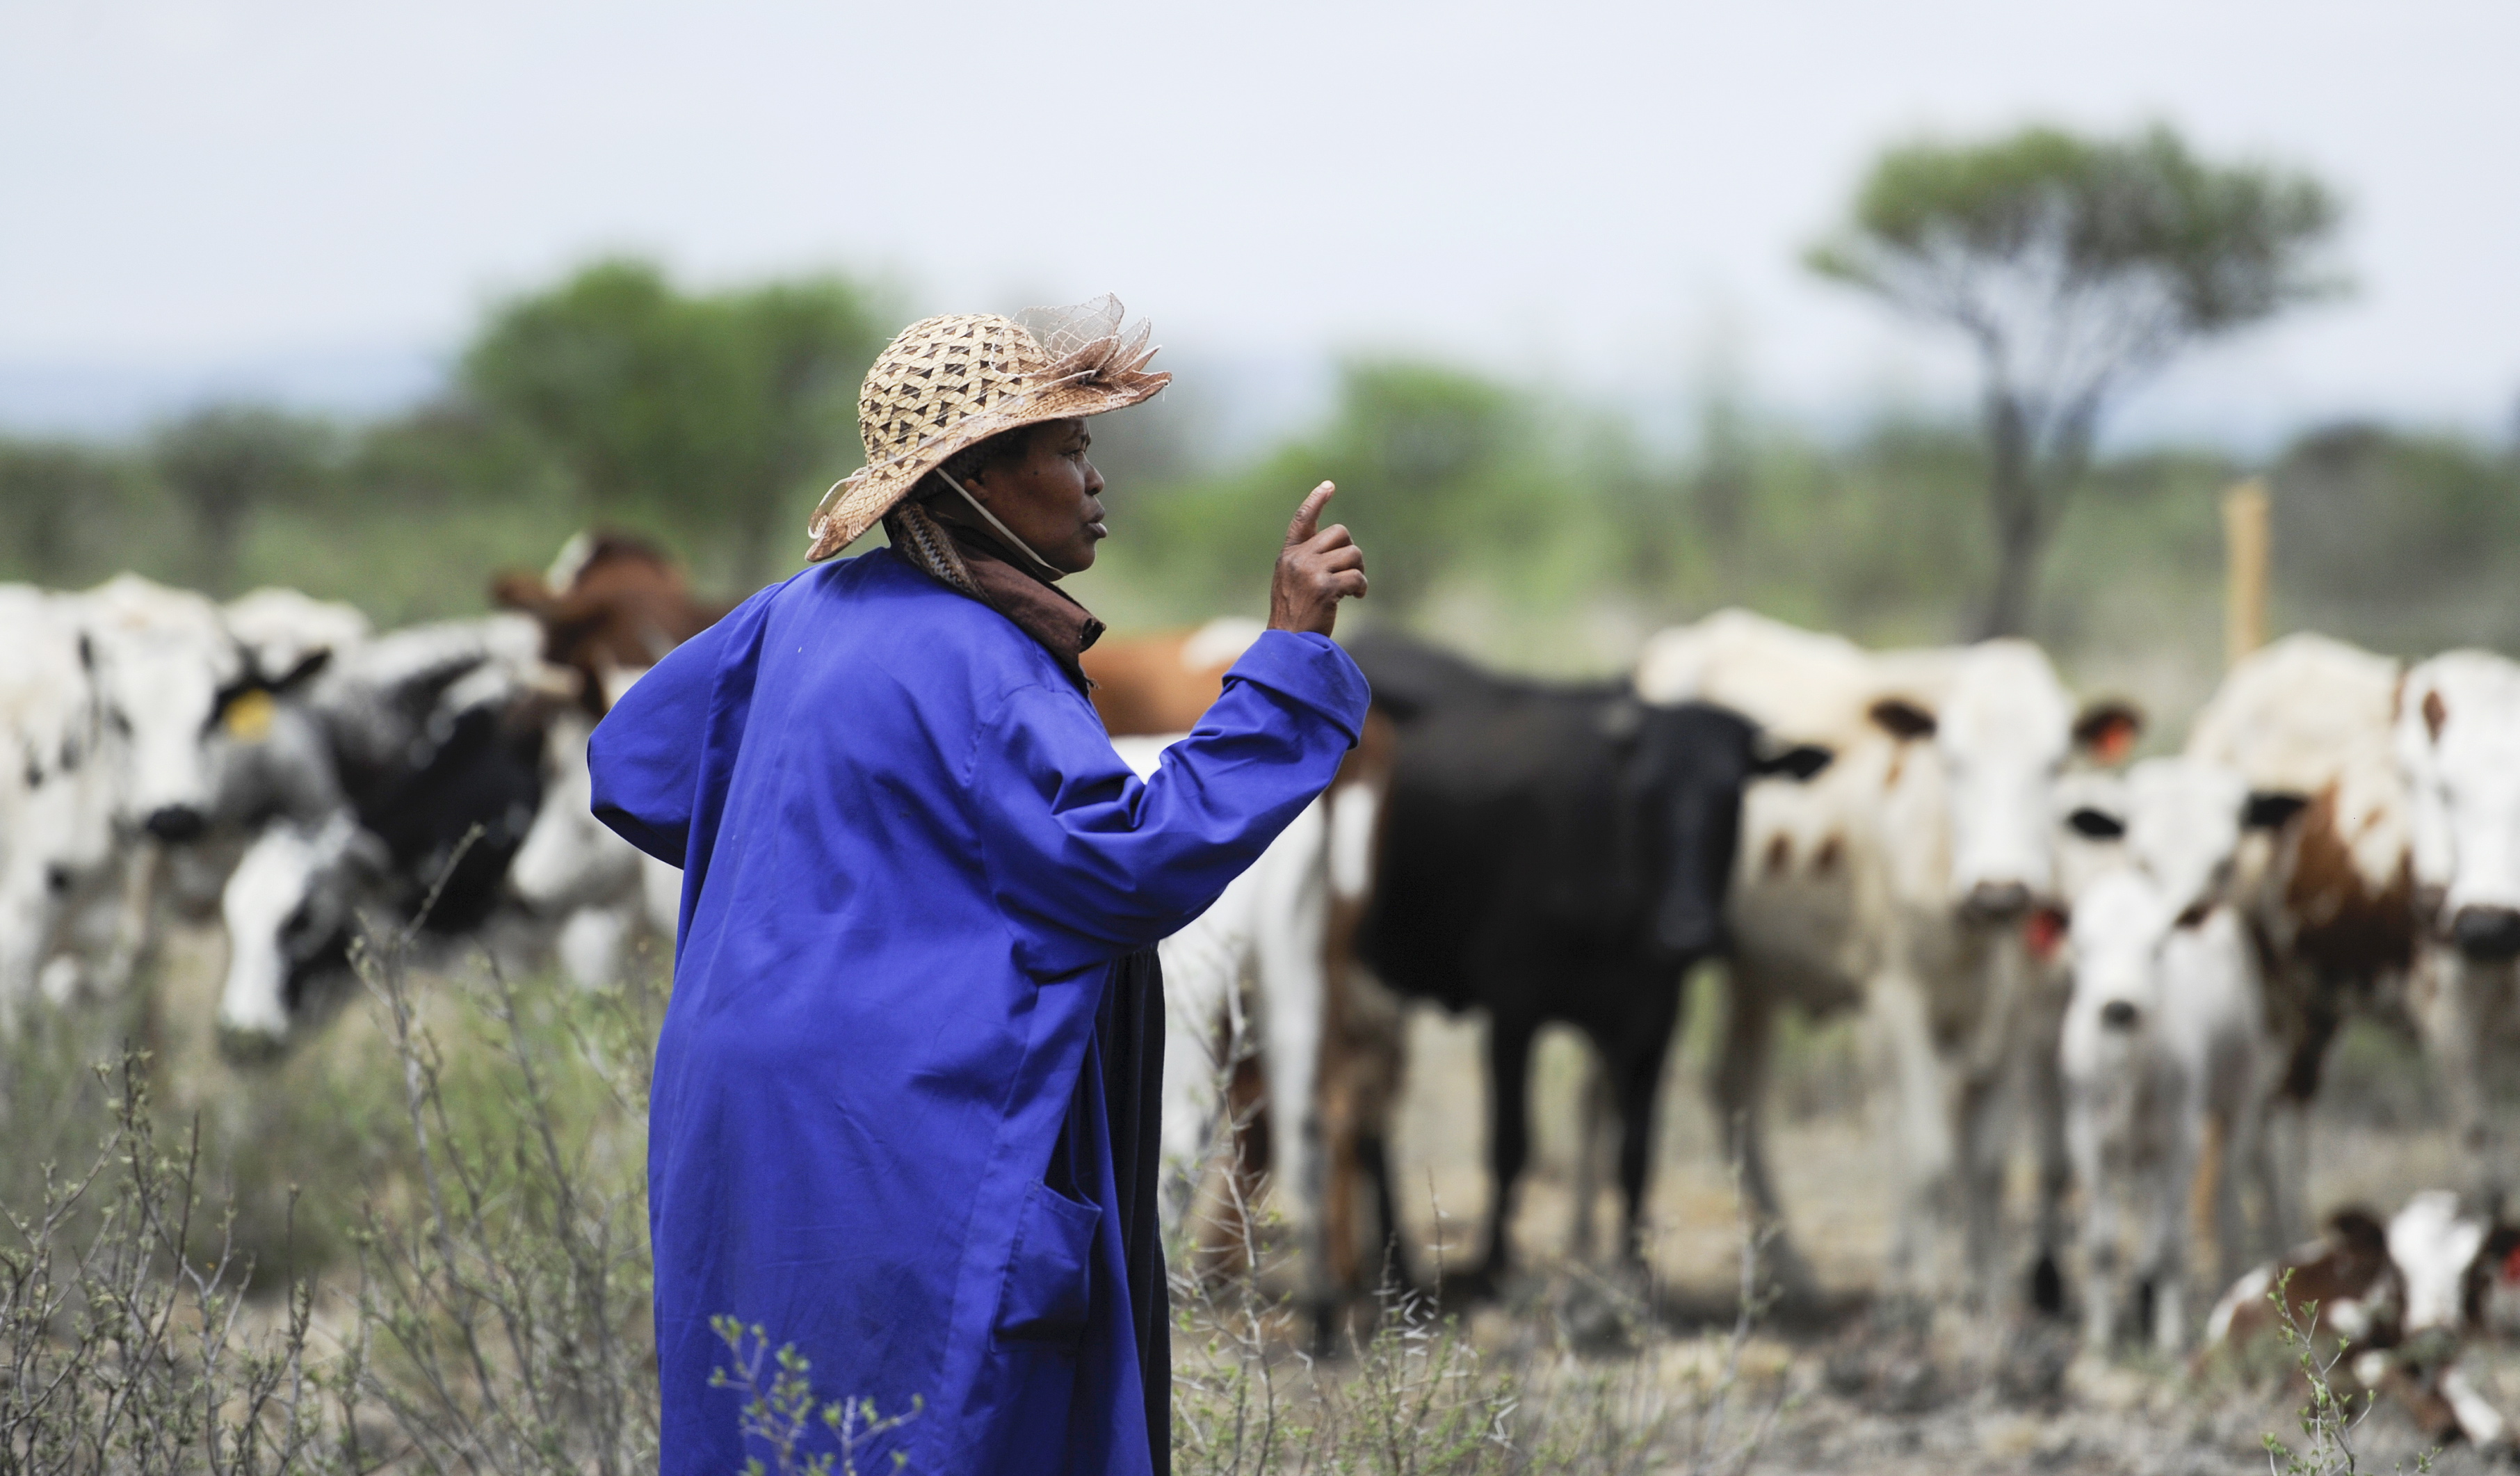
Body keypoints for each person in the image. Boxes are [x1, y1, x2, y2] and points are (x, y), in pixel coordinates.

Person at [589, 299, 1369, 1476]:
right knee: (950, 1414)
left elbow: (635, 761)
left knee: (776, 1417)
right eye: (1067, 450)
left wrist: (840, 885)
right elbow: (1132, 862)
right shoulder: (991, 670)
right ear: (976, 480)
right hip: (898, 1123)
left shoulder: (793, 617)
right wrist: (1292, 654)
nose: (1096, 481)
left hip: (741, 1109)